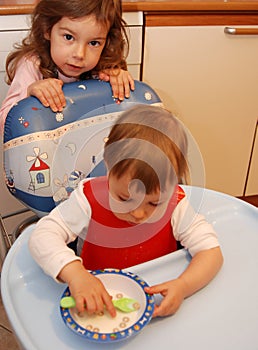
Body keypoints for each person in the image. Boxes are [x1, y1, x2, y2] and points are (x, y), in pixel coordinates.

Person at [29, 104, 223, 318]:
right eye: (125, 198)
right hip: (99, 301)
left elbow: (211, 252)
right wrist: (75, 274)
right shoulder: (89, 198)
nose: (138, 213)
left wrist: (183, 286)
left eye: (154, 203)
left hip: (154, 302)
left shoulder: (175, 204)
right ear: (109, 165)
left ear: (175, 181)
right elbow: (42, 235)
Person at [0, 0, 134, 133]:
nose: (80, 54)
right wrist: (29, 95)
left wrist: (120, 82)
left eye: (94, 43)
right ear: (47, 29)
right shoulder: (32, 65)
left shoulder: (104, 69)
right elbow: (4, 123)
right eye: (69, 37)